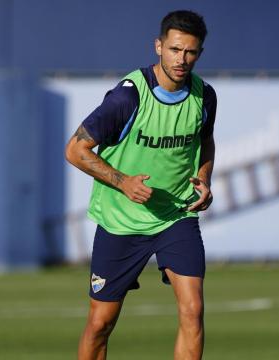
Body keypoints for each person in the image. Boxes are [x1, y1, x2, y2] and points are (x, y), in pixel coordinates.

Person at [65, 10, 216, 360]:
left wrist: (205, 178)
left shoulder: (204, 96)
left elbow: (206, 141)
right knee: (101, 323)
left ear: (199, 53)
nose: (182, 59)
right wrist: (123, 182)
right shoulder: (128, 98)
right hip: (121, 221)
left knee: (193, 310)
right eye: (175, 49)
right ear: (159, 46)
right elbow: (75, 149)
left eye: (190, 52)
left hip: (175, 217)